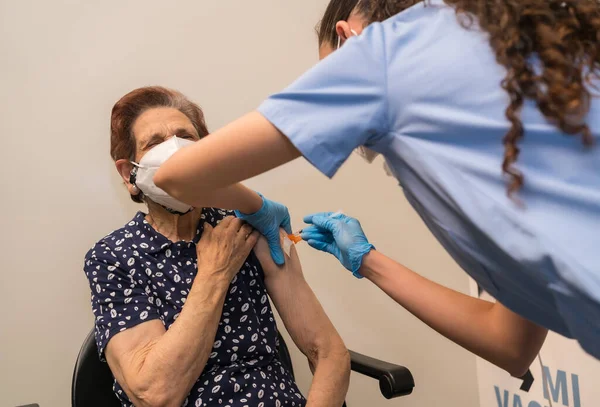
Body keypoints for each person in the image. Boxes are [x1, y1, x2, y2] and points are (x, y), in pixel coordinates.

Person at [154, 0, 600, 374]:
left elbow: (176, 177)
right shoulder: (526, 51)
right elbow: (510, 344)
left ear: (349, 40)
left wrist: (258, 207)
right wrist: (366, 260)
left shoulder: (382, 56)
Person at [83, 86, 350, 407]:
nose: (176, 150)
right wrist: (213, 274)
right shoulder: (114, 257)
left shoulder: (247, 226)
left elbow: (330, 353)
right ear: (130, 175)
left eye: (187, 136)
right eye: (155, 142)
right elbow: (155, 394)